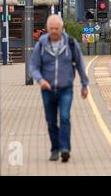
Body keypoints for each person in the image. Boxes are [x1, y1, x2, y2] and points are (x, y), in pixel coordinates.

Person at [30, 15, 90, 163]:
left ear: (61, 28)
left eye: (57, 28)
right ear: (47, 29)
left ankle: (65, 149)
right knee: (51, 121)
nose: (54, 31)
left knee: (64, 117)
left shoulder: (70, 43)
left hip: (65, 88)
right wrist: (40, 80)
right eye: (51, 29)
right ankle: (54, 149)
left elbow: (80, 64)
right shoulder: (41, 45)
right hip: (47, 89)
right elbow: (34, 66)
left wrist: (84, 84)